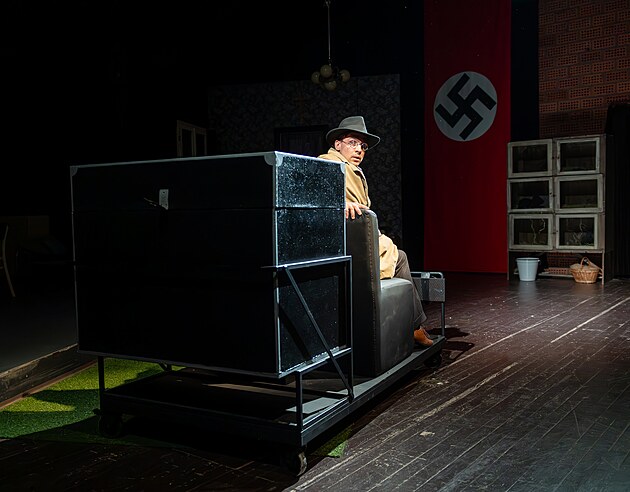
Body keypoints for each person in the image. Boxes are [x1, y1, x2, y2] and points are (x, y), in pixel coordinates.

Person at [318, 116, 434, 347]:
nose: (358, 150)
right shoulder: (328, 164)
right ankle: (414, 326)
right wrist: (339, 204)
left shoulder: (351, 170)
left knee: (399, 255)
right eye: (352, 143)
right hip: (344, 246)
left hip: (358, 239)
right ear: (337, 144)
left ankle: (409, 325)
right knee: (400, 257)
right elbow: (315, 196)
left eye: (362, 146)